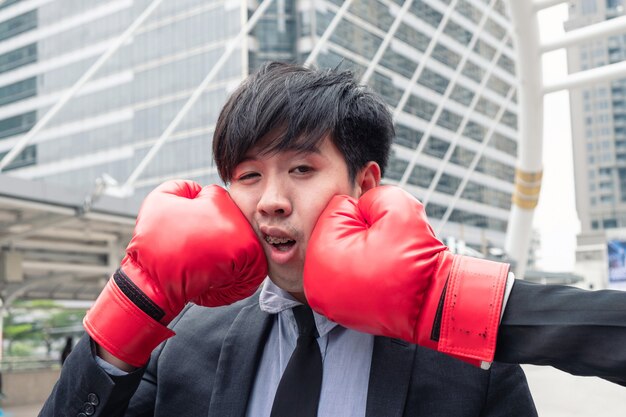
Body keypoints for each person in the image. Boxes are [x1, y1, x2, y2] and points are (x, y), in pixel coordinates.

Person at [39, 62, 537, 416]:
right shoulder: (184, 338)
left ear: (364, 185)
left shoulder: (466, 358)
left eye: (302, 168)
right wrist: (131, 302)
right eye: (248, 175)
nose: (270, 201)